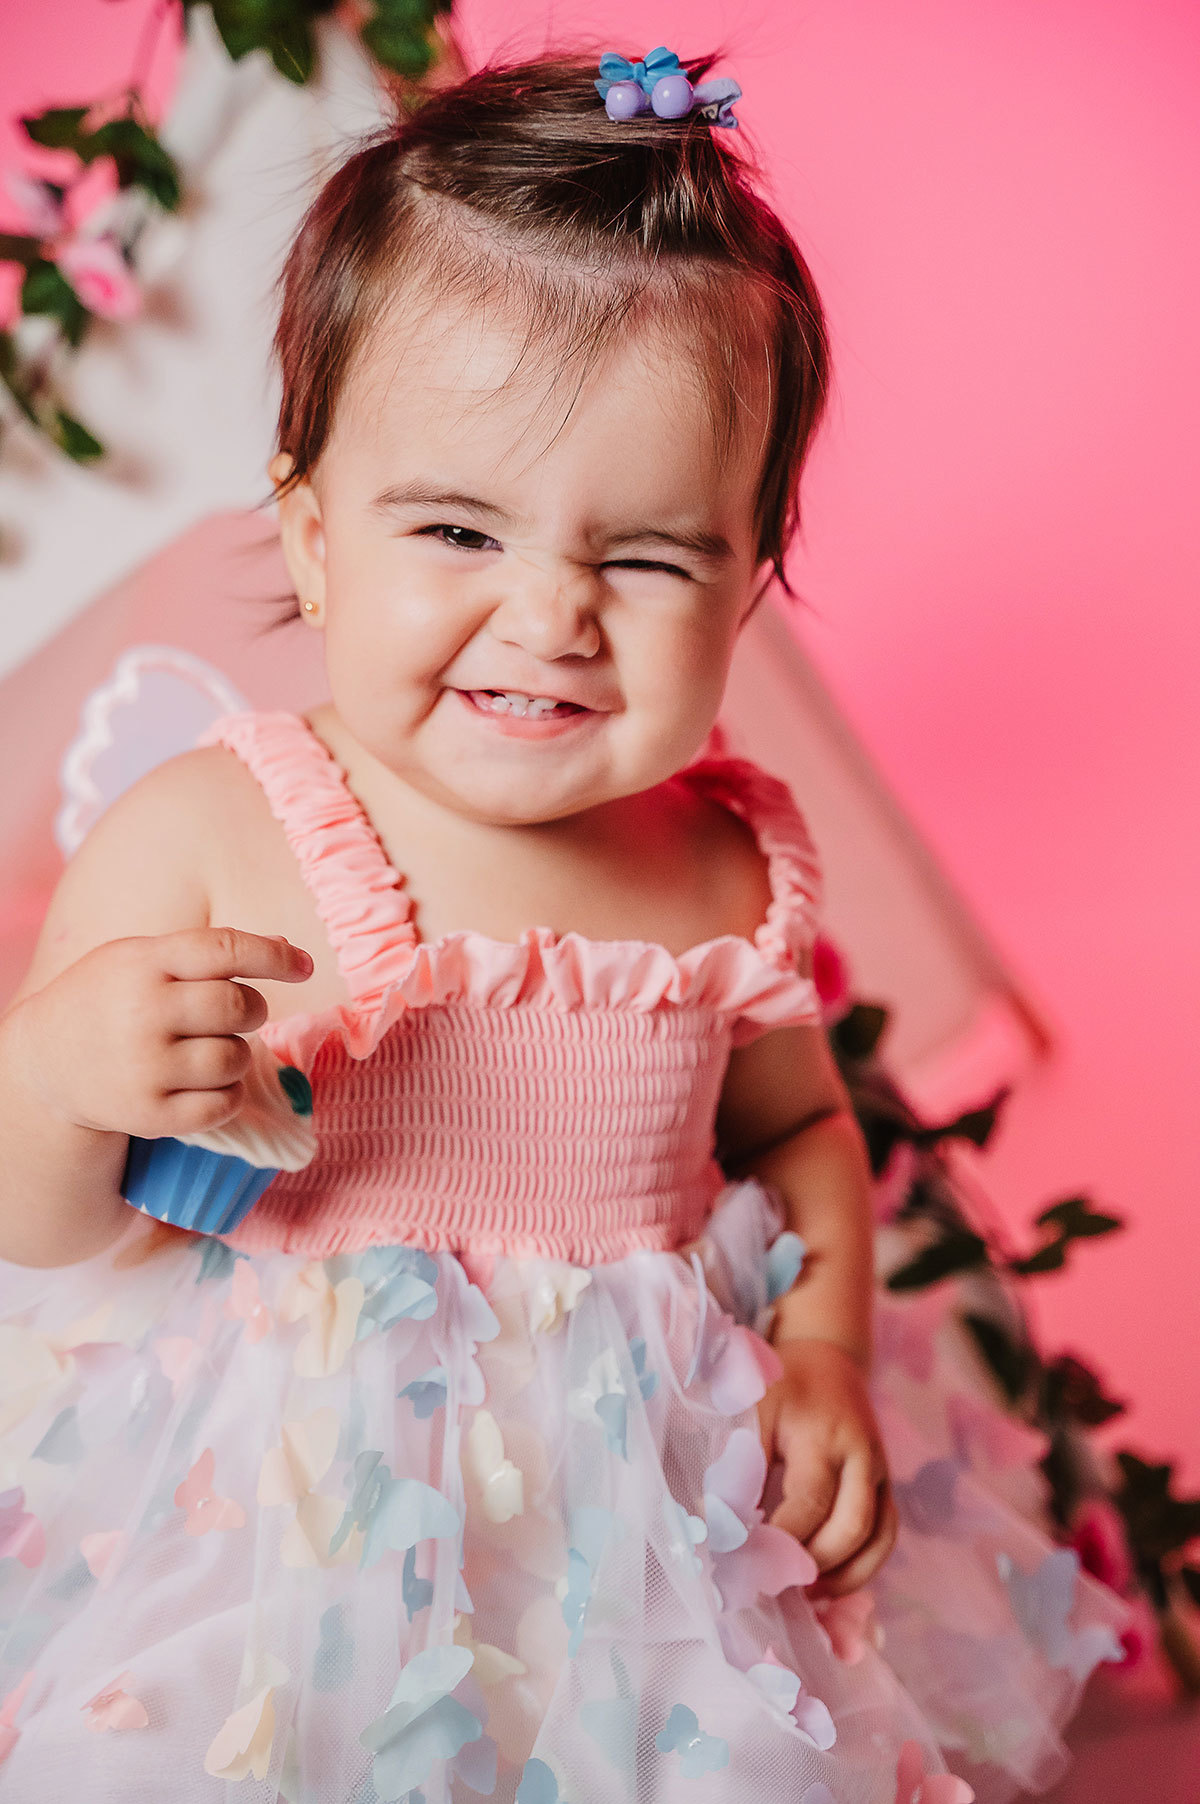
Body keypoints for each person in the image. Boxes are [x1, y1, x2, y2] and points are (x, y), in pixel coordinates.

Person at [0, 46, 1125, 1804]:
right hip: (294, 1541)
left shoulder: (717, 867)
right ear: (308, 541)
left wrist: (823, 1351)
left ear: (749, 586)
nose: (551, 615)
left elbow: (801, 1128)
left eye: (651, 559)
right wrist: (63, 1077)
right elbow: (48, 1235)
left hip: (650, 1555)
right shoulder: (218, 828)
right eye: (457, 526)